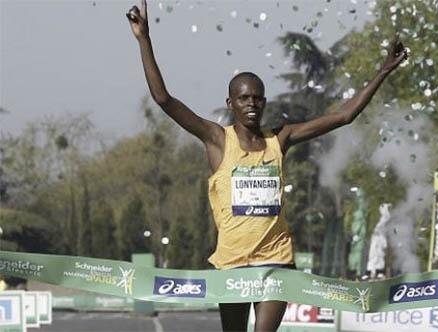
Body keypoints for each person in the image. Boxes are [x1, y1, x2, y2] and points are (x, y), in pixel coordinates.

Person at [126, 1, 408, 331]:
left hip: (276, 262)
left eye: (258, 98)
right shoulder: (217, 140)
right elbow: (164, 99)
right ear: (231, 103)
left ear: (265, 102)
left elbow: (344, 116)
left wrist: (383, 71)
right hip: (232, 265)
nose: (252, 104)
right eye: (244, 98)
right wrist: (144, 39)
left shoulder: (280, 139)